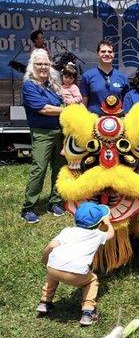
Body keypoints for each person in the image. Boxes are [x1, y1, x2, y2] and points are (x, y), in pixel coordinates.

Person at [36, 202, 115, 326]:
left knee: (53, 275)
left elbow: (51, 245)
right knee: (92, 281)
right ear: (99, 223)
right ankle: (88, 311)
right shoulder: (97, 235)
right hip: (76, 273)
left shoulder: (67, 231)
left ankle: (45, 302)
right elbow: (111, 234)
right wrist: (108, 222)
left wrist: (45, 260)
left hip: (53, 268)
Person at [21, 48, 65, 224]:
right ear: (33, 65)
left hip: (60, 132)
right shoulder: (29, 85)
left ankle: (55, 202)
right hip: (42, 133)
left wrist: (64, 107)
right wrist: (66, 110)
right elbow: (43, 108)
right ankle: (28, 207)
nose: (43, 67)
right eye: (39, 63)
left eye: (46, 63)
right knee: (39, 169)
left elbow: (59, 102)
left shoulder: (52, 84)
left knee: (60, 168)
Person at [80, 40, 129, 115]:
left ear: (114, 54)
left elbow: (126, 105)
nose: (107, 54)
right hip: (95, 122)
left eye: (110, 52)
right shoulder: (87, 76)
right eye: (103, 51)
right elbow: (83, 104)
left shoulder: (123, 77)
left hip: (118, 122)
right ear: (98, 54)